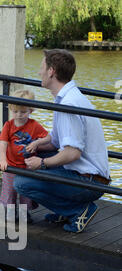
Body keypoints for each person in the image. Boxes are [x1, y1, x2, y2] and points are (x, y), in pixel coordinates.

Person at [14, 49, 110, 233]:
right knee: (31, 153)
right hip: (85, 174)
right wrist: (36, 145)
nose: (38, 72)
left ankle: (78, 211)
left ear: (51, 71)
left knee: (21, 183)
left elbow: (72, 152)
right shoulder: (67, 97)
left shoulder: (68, 104)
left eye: (42, 67)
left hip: (88, 181)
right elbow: (57, 143)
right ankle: (63, 209)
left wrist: (42, 163)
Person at [0, 89, 48, 222]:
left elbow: (49, 138)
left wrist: (37, 142)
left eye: (23, 112)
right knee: (9, 191)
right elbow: (3, 144)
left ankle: (24, 214)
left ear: (30, 111)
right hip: (11, 165)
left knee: (26, 192)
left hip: (28, 166)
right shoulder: (8, 125)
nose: (19, 115)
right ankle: (9, 213)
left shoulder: (34, 125)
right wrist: (3, 160)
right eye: (15, 111)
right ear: (11, 110)